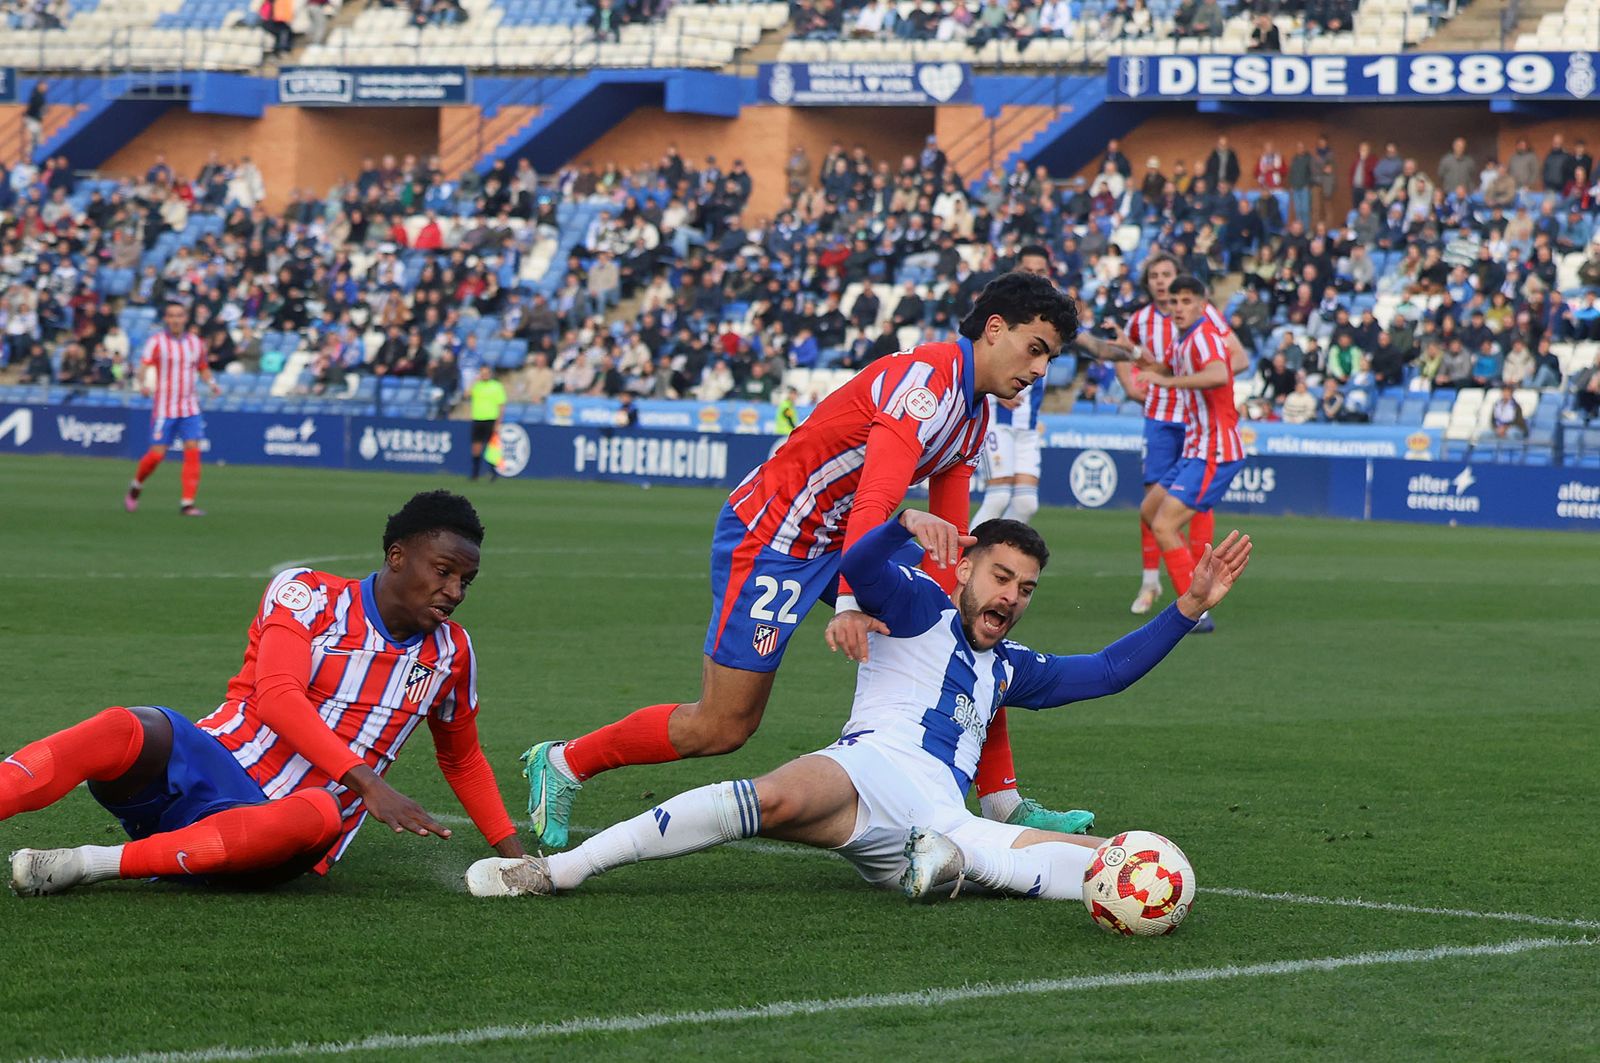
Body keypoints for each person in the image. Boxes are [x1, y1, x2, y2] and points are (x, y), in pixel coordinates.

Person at [519, 273, 1087, 850]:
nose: (1041, 369)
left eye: (1051, 358)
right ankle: (564, 762)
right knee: (722, 726)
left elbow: (953, 538)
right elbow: (876, 500)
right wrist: (850, 601)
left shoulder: (975, 415)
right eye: (1036, 349)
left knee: (962, 632)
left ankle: (1004, 802)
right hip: (776, 537)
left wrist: (950, 614)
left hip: (843, 538)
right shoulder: (923, 384)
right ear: (994, 330)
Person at [466, 512, 1252, 900]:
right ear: (967, 567)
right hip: (865, 770)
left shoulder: (1010, 668)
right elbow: (859, 560)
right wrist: (902, 522)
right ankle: (557, 872)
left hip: (937, 813)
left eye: (1025, 588)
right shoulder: (915, 608)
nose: (1010, 597)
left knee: (1114, 862)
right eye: (1001, 576)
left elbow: (1109, 669)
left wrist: (1185, 608)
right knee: (769, 796)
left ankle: (966, 861)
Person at [5, 492, 525, 895]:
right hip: (208, 767)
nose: (455, 592)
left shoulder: (453, 653)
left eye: (466, 581)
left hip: (278, 832)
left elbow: (463, 760)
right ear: (396, 556)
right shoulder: (308, 593)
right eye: (443, 572)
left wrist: (516, 856)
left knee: (321, 813)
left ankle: (85, 864)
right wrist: (369, 784)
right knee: (128, 726)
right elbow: (277, 696)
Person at [1108, 254, 1246, 616]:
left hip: (1215, 451)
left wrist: (1167, 382)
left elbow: (1218, 374)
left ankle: (1194, 611)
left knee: (1166, 524)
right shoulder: (1183, 339)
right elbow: (1160, 366)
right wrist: (1131, 349)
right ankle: (1184, 595)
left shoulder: (1204, 337)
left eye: (1187, 301)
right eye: (1175, 302)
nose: (1179, 307)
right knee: (1149, 510)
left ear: (1202, 305)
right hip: (1195, 449)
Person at [973, 244, 1054, 527]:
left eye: (1040, 272)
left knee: (1025, 502)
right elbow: (975, 354)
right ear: (1016, 271)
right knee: (996, 497)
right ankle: (959, 561)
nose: (1034, 277)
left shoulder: (1054, 317)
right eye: (1028, 271)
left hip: (1028, 424)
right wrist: (996, 395)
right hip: (997, 419)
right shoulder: (1000, 312)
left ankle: (994, 555)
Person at [124, 302, 220, 517]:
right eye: (171, 316)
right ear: (166, 319)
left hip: (190, 408)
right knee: (157, 455)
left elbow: (203, 367)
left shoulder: (196, 343)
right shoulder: (156, 342)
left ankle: (187, 504)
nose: (176, 319)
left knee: (193, 451)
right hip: (164, 409)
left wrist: (212, 384)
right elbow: (144, 368)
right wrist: (143, 384)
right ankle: (136, 485)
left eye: (179, 315)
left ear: (186, 317)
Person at [467, 364, 506, 481]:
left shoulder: (496, 386)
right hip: (477, 418)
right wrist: (473, 382)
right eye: (482, 373)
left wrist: (498, 422)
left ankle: (493, 473)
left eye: (486, 373)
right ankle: (475, 473)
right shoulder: (476, 386)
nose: (484, 375)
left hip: (491, 419)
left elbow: (501, 405)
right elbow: (466, 394)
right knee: (476, 446)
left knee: (492, 448)